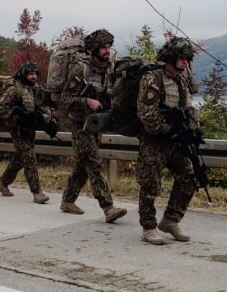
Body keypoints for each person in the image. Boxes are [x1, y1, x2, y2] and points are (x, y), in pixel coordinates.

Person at [57, 29, 127, 222]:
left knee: (83, 164)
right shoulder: (81, 69)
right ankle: (108, 207)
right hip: (80, 123)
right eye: (103, 47)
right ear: (94, 49)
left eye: (109, 47)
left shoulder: (109, 68)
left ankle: (67, 200)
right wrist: (86, 101)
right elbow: (64, 100)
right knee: (94, 162)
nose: (107, 51)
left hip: (97, 123)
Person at [135, 37, 200, 245]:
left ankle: (171, 220)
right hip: (154, 140)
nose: (184, 62)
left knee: (189, 176)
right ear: (170, 58)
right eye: (180, 58)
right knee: (150, 184)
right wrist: (167, 130)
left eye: (186, 59)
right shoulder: (153, 78)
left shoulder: (182, 80)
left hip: (176, 140)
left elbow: (187, 107)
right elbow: (146, 113)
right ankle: (148, 227)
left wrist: (191, 129)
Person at [0, 61, 53, 204]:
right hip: (18, 129)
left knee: (21, 157)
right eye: (30, 74)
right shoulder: (14, 89)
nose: (33, 77)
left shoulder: (37, 89)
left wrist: (47, 119)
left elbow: (45, 106)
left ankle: (2, 183)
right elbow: (2, 109)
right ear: (24, 74)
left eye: (35, 74)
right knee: (29, 157)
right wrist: (18, 117)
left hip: (31, 129)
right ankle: (37, 192)